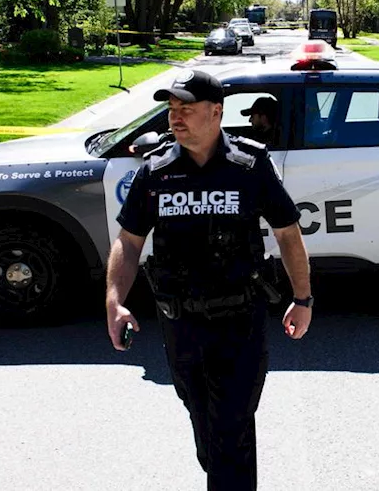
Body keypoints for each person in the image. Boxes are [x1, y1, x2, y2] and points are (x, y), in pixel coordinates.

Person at [105, 69, 313, 491]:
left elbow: (288, 232)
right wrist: (115, 300)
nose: (175, 118)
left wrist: (303, 298)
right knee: (206, 427)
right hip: (181, 326)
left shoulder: (249, 167)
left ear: (216, 112)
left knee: (231, 432)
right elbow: (128, 242)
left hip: (240, 323)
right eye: (171, 110)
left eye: (186, 109)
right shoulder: (156, 173)